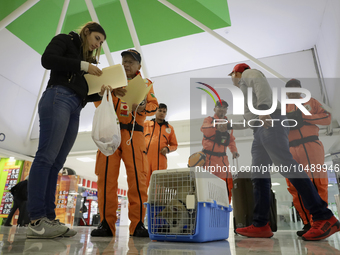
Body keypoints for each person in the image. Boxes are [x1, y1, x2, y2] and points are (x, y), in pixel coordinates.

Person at [229, 63, 339, 241]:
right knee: (259, 175)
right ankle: (261, 224)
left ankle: (324, 217)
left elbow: (260, 83)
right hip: (259, 128)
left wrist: (264, 110)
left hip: (270, 120)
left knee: (287, 166)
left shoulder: (249, 74)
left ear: (236, 72)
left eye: (232, 75)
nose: (231, 79)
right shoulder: (244, 89)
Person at [27, 21, 110, 239]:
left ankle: (49, 218)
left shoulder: (86, 61)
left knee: (56, 164)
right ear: (86, 32)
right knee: (45, 158)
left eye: (101, 43)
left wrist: (101, 93)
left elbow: (83, 92)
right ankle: (36, 219)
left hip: (75, 105)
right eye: (96, 39)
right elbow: (47, 60)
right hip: (58, 97)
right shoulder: (65, 40)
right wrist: (83, 66)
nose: (97, 45)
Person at [91, 49, 158, 237]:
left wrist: (143, 106)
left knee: (138, 179)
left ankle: (137, 224)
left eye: (131, 61)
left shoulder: (146, 84)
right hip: (109, 132)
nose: (126, 64)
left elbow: (153, 105)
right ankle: (106, 223)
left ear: (139, 66)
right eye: (124, 61)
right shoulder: (110, 80)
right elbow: (99, 104)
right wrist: (103, 93)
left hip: (133, 134)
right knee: (106, 179)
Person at [285, 79, 331, 236]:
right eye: (289, 90)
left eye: (295, 88)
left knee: (317, 182)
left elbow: (327, 118)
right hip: (290, 148)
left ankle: (321, 221)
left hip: (311, 144)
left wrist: (304, 116)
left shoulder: (311, 102)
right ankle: (307, 223)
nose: (292, 92)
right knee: (294, 186)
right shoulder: (282, 107)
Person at [200, 100, 239, 204]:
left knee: (226, 185)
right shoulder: (208, 120)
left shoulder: (229, 124)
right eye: (219, 107)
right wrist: (217, 126)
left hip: (222, 160)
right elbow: (205, 130)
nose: (222, 109)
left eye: (224, 107)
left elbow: (231, 140)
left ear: (226, 110)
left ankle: (225, 206)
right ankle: (208, 206)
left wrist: (234, 151)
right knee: (207, 184)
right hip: (208, 159)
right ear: (214, 109)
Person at [144, 103, 178, 187]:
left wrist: (167, 149)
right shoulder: (146, 124)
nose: (162, 113)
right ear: (155, 111)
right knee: (143, 183)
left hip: (160, 159)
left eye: (164, 111)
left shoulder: (169, 128)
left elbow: (175, 145)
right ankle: (142, 200)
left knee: (159, 185)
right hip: (145, 158)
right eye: (160, 110)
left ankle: (158, 201)